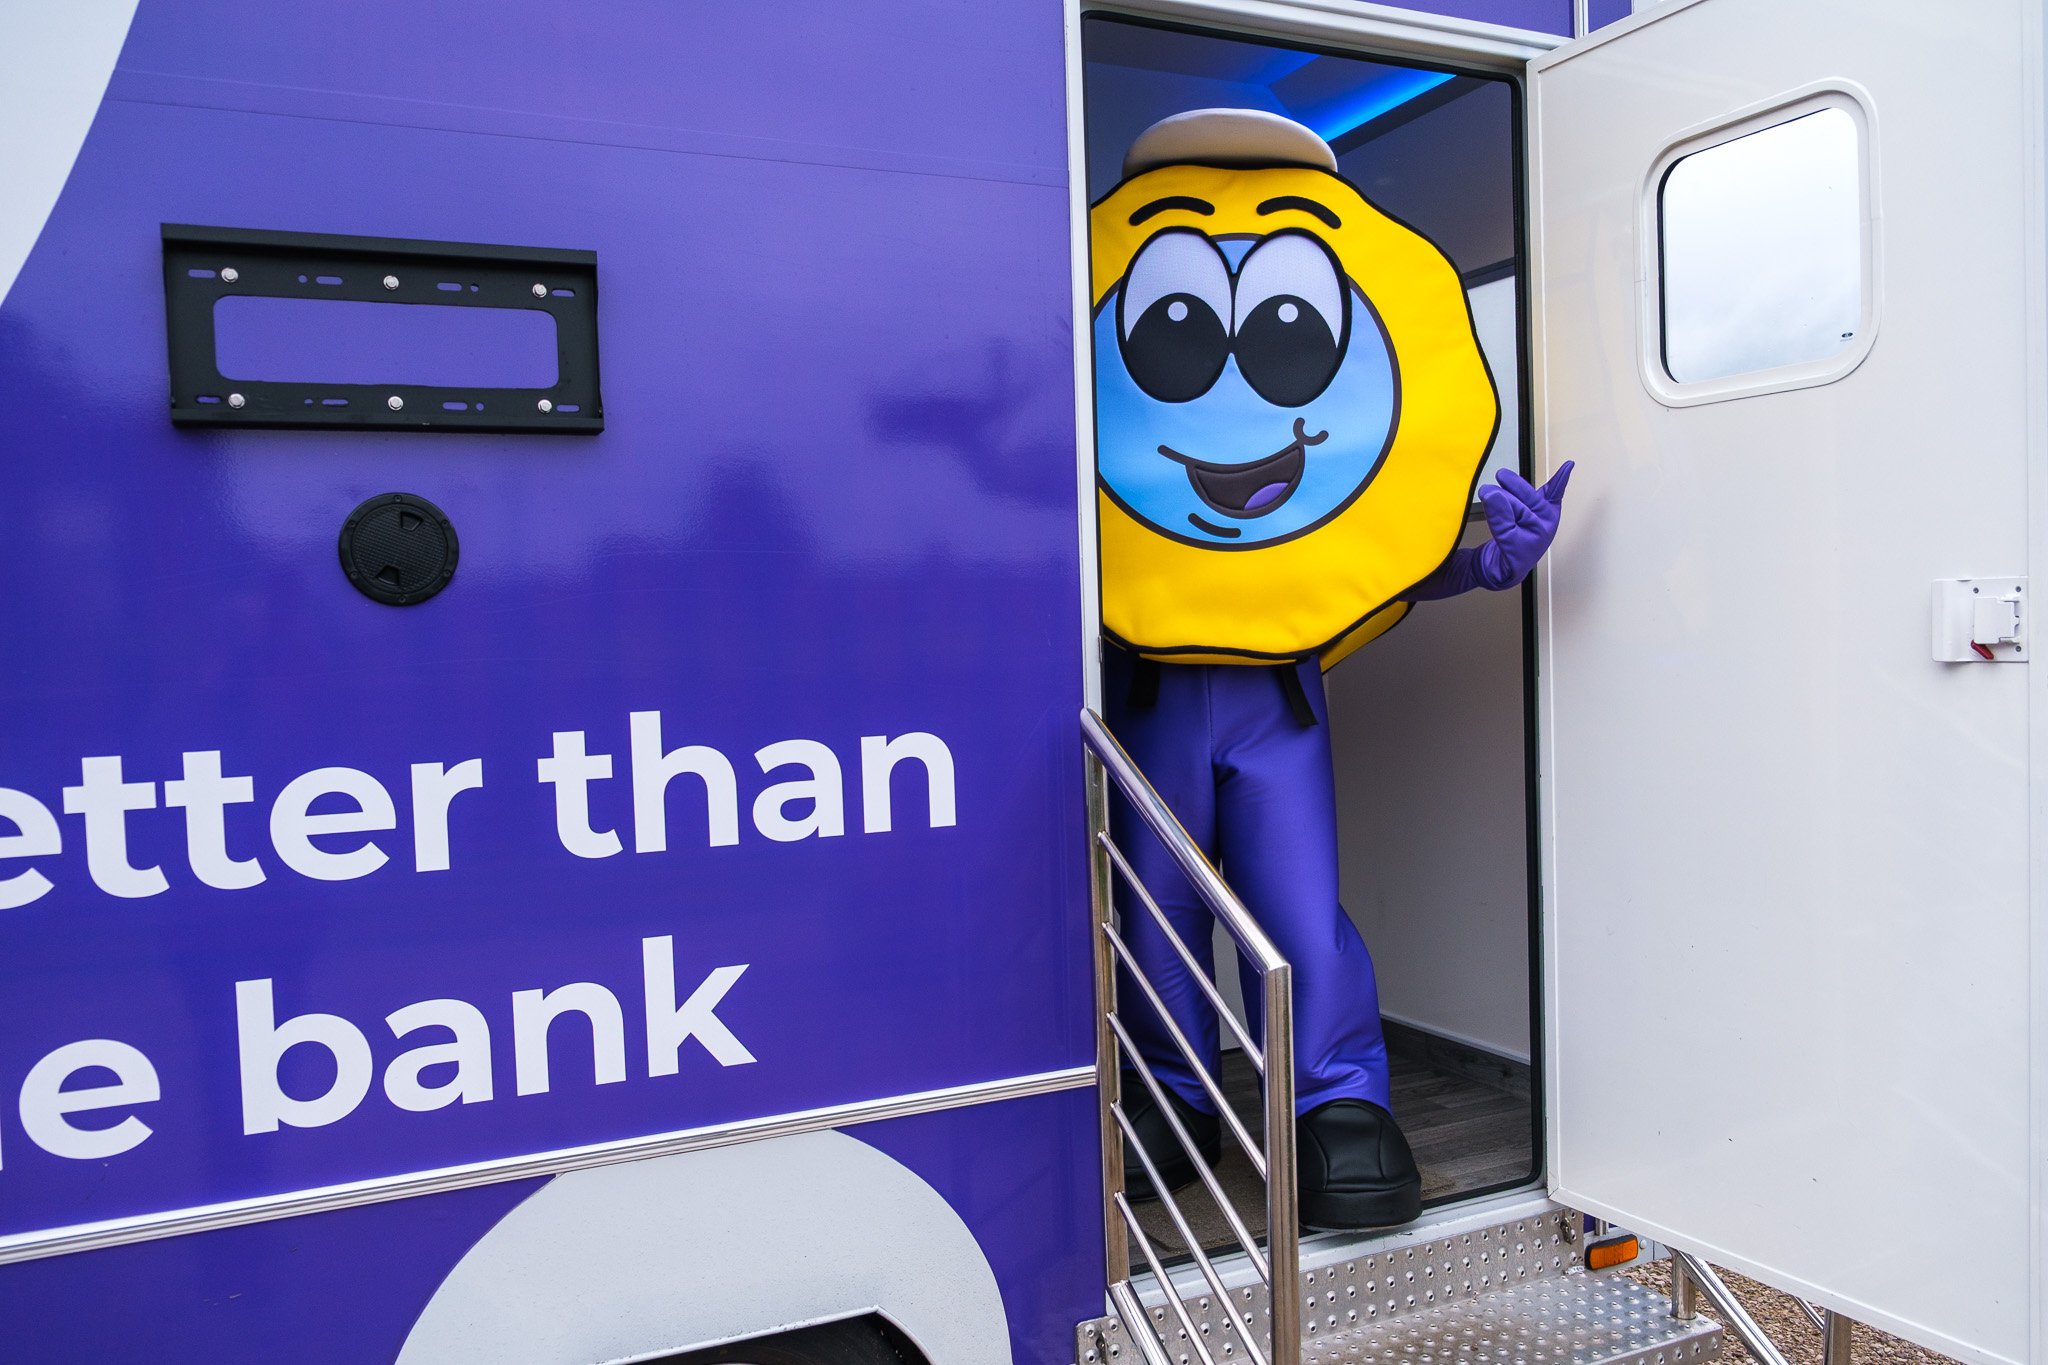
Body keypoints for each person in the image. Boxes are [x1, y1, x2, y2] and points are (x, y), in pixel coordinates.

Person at [1089, 108, 1570, 1230]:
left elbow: (1369, 552)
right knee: (1150, 911)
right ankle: (1175, 1102)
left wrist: (1481, 561)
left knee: (1298, 911)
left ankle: (1336, 1107)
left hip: (1276, 696)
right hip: (1138, 684)